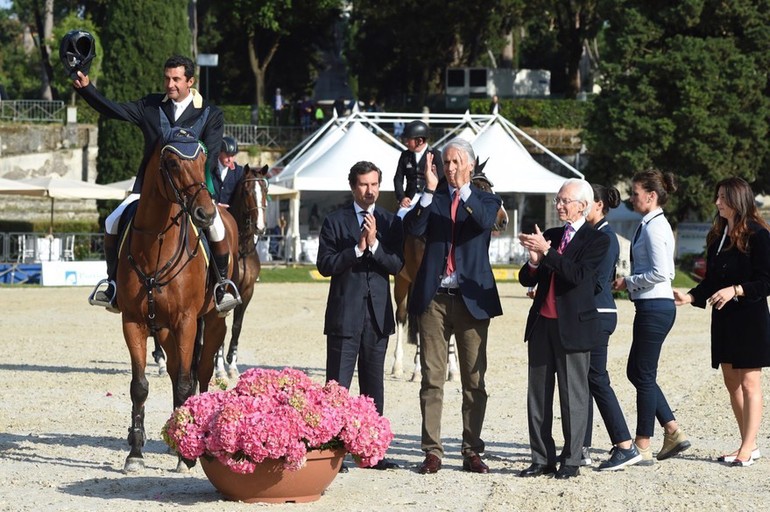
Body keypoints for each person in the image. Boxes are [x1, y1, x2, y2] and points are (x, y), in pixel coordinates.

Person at [72, 53, 239, 315]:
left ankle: (221, 287)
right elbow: (113, 109)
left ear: (190, 81)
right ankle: (113, 284)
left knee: (217, 228)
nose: (170, 84)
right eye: (167, 78)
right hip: (148, 191)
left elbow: (210, 161)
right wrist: (86, 89)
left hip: (193, 194)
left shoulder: (210, 114)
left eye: (176, 79)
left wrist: (211, 196)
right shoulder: (150, 106)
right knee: (111, 222)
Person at [405, 138, 502, 475]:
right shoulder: (433, 198)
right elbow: (413, 228)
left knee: (474, 380)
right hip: (434, 299)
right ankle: (432, 450)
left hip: (472, 300)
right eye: (445, 163)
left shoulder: (486, 199)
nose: (450, 168)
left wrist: (464, 192)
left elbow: (485, 221)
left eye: (456, 162)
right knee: (432, 378)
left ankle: (472, 450)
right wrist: (429, 193)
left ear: (470, 166)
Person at [674, 177, 770, 467]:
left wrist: (737, 290)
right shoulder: (718, 236)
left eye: (722, 199)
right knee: (731, 382)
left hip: (750, 318)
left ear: (737, 201)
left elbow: (766, 281)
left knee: (750, 383)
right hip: (724, 318)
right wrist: (689, 297)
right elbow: (712, 281)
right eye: (717, 198)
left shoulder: (758, 234)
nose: (717, 203)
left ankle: (748, 447)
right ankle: (748, 444)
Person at [517, 179, 610, 480]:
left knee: (574, 396)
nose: (559, 205)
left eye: (564, 201)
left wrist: (549, 252)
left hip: (574, 327)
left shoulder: (597, 240)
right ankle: (540, 458)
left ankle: (571, 460)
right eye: (557, 200)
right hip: (543, 324)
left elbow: (579, 277)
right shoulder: (552, 235)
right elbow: (526, 279)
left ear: (582, 205)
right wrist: (534, 261)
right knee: (538, 396)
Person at [316, 160, 404, 471]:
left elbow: (397, 265)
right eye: (364, 185)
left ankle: (372, 452)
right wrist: (356, 249)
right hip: (344, 315)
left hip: (377, 316)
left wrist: (376, 244)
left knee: (373, 386)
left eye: (375, 185)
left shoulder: (390, 222)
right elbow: (324, 265)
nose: (370, 191)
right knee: (337, 388)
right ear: (353, 186)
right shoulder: (335, 221)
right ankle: (333, 452)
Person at [612, 169, 690, 464]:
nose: (631, 198)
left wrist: (629, 282)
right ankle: (672, 430)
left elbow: (663, 272)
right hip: (651, 306)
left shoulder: (656, 227)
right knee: (637, 372)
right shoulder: (649, 224)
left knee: (643, 375)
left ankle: (643, 442)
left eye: (634, 193)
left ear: (651, 195)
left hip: (655, 306)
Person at [582, 184, 642, 471]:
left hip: (599, 313)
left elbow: (595, 282)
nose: (580, 206)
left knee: (596, 379)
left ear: (599, 205)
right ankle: (581, 446)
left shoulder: (605, 237)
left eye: (585, 202)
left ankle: (625, 445)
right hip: (591, 313)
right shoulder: (593, 233)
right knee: (586, 380)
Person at [393, 120, 444, 218]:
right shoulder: (405, 155)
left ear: (420, 141)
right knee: (399, 218)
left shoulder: (437, 155)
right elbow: (398, 179)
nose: (406, 142)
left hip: (431, 198)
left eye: (409, 139)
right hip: (410, 199)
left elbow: (442, 181)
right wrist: (402, 197)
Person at [211, 136, 245, 207]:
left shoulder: (239, 172)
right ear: (219, 152)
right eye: (227, 155)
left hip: (231, 214)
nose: (230, 159)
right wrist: (215, 204)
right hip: (211, 212)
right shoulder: (209, 169)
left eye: (232, 156)